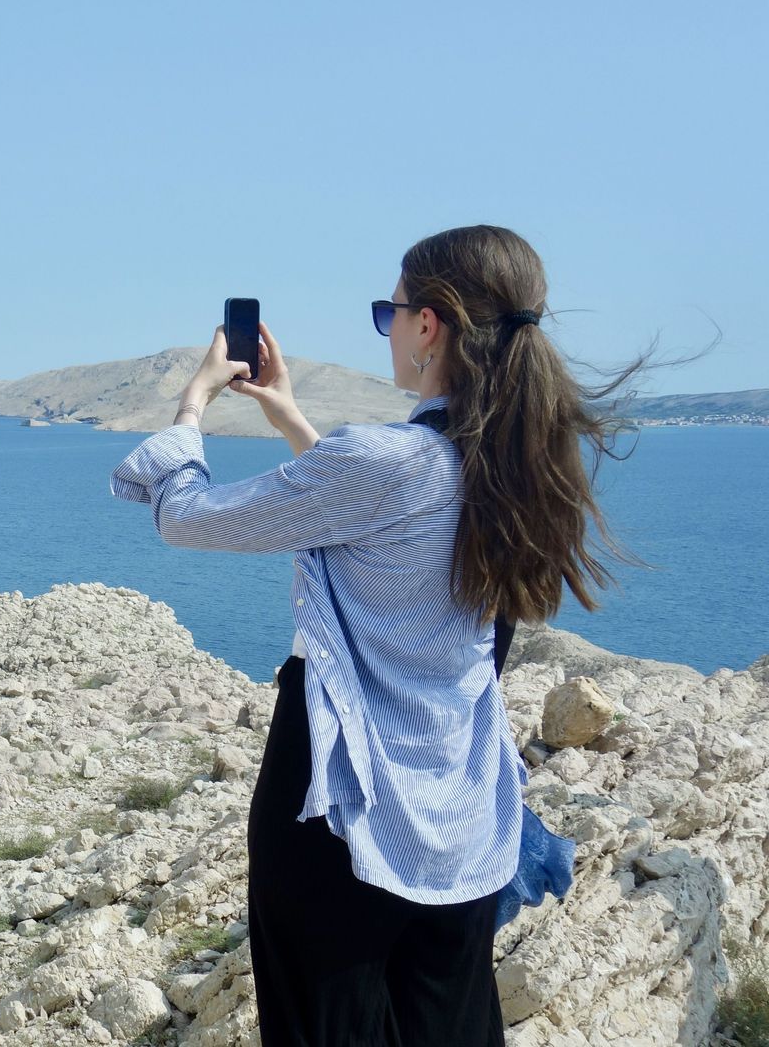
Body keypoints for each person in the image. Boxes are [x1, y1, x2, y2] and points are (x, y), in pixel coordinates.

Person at [107, 225, 638, 1045]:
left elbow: (188, 517)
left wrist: (193, 404)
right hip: (461, 809)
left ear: (429, 325)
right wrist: (289, 414)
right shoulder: (522, 466)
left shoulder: (386, 463)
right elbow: (378, 514)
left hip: (335, 803)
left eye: (389, 313)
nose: (387, 330)